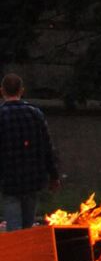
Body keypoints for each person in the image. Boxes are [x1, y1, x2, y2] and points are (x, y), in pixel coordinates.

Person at [0, 74, 61, 231]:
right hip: (32, 179)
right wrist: (53, 176)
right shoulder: (35, 114)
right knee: (28, 227)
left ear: (2, 91)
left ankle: (17, 254)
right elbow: (47, 147)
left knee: (14, 229)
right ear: (22, 90)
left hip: (9, 180)